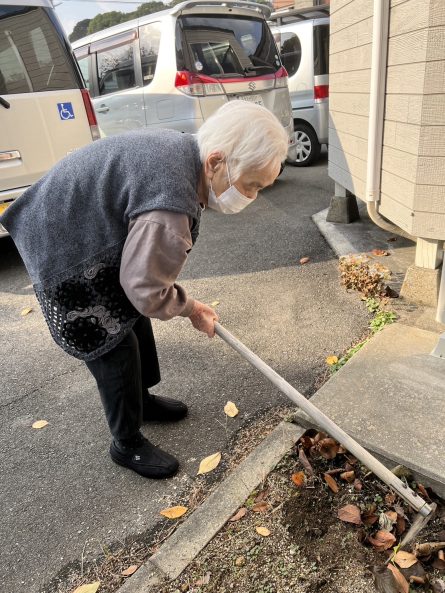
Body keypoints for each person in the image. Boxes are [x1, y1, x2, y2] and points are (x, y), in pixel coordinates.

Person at [0, 101, 289, 479]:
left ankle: (143, 402)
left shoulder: (187, 151)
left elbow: (141, 287)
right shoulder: (170, 207)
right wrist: (192, 307)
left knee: (129, 316)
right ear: (217, 162)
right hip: (61, 244)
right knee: (110, 341)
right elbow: (147, 289)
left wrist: (174, 301)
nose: (251, 197)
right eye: (251, 184)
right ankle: (127, 443)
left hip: (77, 224)